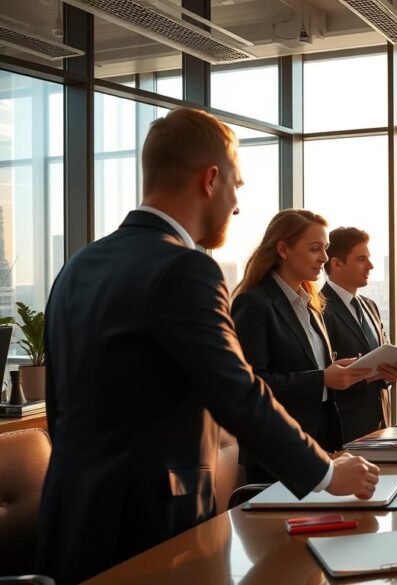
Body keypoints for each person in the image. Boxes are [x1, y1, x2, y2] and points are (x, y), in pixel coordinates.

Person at [37, 108, 379, 584]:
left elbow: (60, 408)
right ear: (211, 179)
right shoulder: (186, 268)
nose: (237, 205)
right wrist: (325, 473)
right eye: (236, 186)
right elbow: (239, 391)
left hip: (70, 522)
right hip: (151, 528)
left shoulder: (77, 266)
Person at [231, 210, 372, 482]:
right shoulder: (254, 303)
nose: (323, 258)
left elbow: (312, 368)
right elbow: (253, 384)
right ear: (283, 249)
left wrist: (335, 372)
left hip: (317, 442)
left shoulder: (312, 304)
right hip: (275, 452)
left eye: (326, 249)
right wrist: (322, 379)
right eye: (315, 249)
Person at [321, 227, 397, 443]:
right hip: (343, 430)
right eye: (361, 259)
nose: (370, 266)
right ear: (337, 264)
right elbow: (322, 373)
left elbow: (383, 352)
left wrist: (391, 373)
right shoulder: (318, 308)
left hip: (380, 424)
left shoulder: (370, 306)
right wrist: (367, 376)